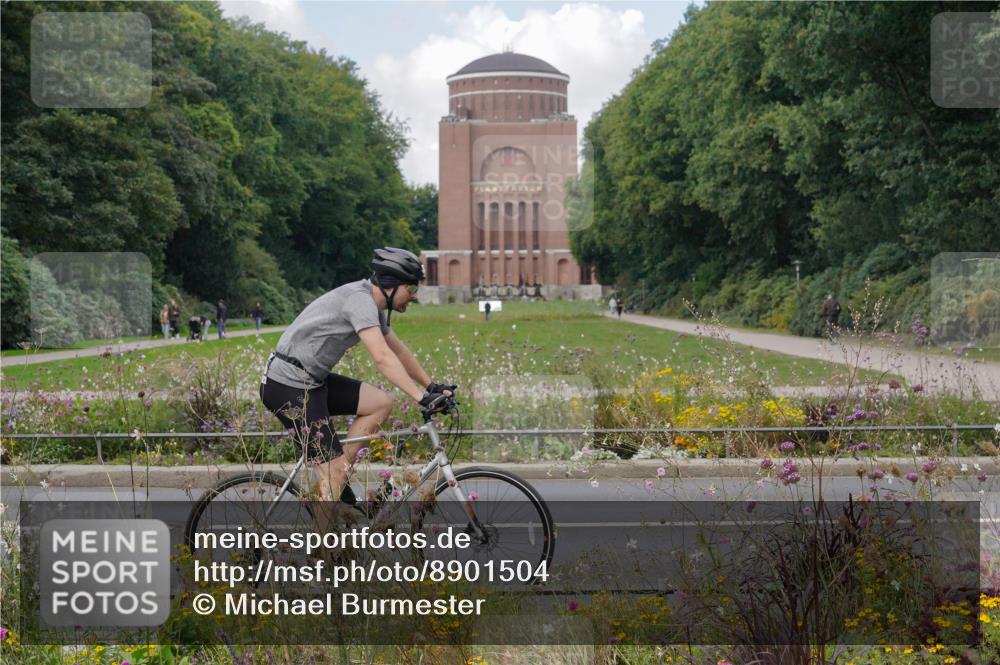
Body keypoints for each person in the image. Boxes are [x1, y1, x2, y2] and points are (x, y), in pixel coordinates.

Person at [259, 247, 456, 507]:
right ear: (392, 286)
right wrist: (421, 397)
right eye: (411, 289)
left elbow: (398, 349)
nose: (414, 296)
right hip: (287, 385)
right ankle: (323, 545)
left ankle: (335, 482)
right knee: (334, 472)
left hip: (311, 380)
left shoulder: (371, 302)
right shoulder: (359, 301)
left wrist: (431, 386)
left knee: (380, 402)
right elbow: (382, 357)